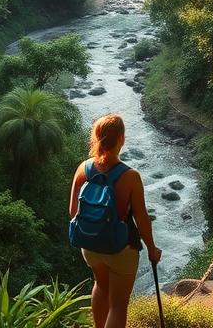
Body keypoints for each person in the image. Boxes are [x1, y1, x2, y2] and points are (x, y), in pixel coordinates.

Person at [69, 114, 161, 328]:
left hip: (90, 246)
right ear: (121, 138)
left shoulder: (83, 169)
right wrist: (152, 249)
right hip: (121, 247)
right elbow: (141, 219)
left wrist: (94, 230)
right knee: (119, 305)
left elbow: (73, 211)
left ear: (96, 137)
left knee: (101, 287)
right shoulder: (130, 176)